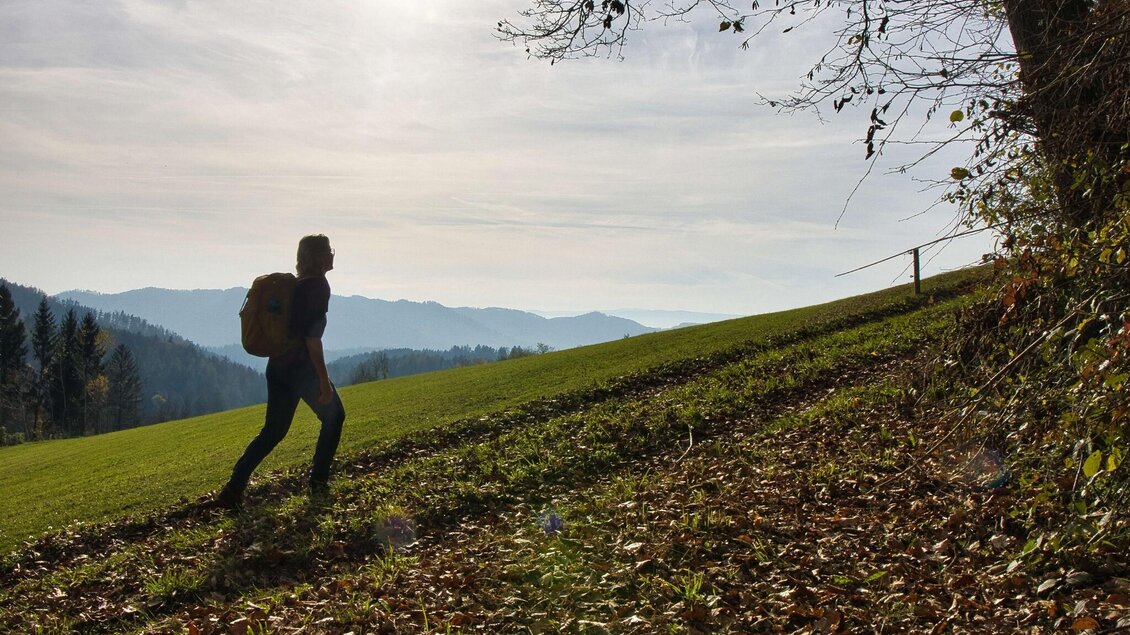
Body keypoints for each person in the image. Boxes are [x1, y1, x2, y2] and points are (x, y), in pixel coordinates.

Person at [215, 234, 346, 509]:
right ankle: (318, 484)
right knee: (334, 416)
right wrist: (323, 381)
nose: (333, 254)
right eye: (329, 250)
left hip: (278, 366)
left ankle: (233, 489)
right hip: (302, 368)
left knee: (273, 431)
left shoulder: (294, 286)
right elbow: (312, 339)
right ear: (319, 257)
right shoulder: (318, 287)